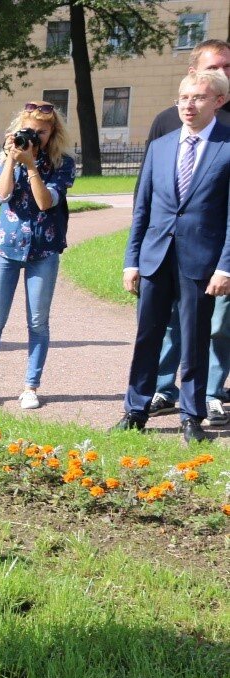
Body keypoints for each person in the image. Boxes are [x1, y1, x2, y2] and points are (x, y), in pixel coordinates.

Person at [117, 70, 230, 444]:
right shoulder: (160, 146)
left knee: (194, 338)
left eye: (198, 97)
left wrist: (225, 266)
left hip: (201, 261)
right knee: (146, 335)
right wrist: (131, 260)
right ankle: (135, 410)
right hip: (154, 257)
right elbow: (143, 209)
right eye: (184, 97)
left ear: (219, 101)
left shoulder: (227, 146)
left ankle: (191, 417)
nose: (188, 104)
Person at [144, 39, 230, 425]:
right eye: (216, 66)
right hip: (165, 247)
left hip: (211, 251)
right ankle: (164, 388)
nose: (223, 73)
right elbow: (148, 189)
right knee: (164, 324)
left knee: (216, 324)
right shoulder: (168, 119)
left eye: (228, 67)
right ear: (192, 70)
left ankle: (209, 393)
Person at [0, 101, 77, 411]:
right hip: (5, 249)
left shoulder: (64, 164)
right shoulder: (9, 156)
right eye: (28, 131)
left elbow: (46, 203)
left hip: (43, 251)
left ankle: (31, 387)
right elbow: (2, 194)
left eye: (41, 132)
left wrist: (32, 166)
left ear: (53, 133)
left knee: (37, 323)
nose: (33, 137)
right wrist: (10, 160)